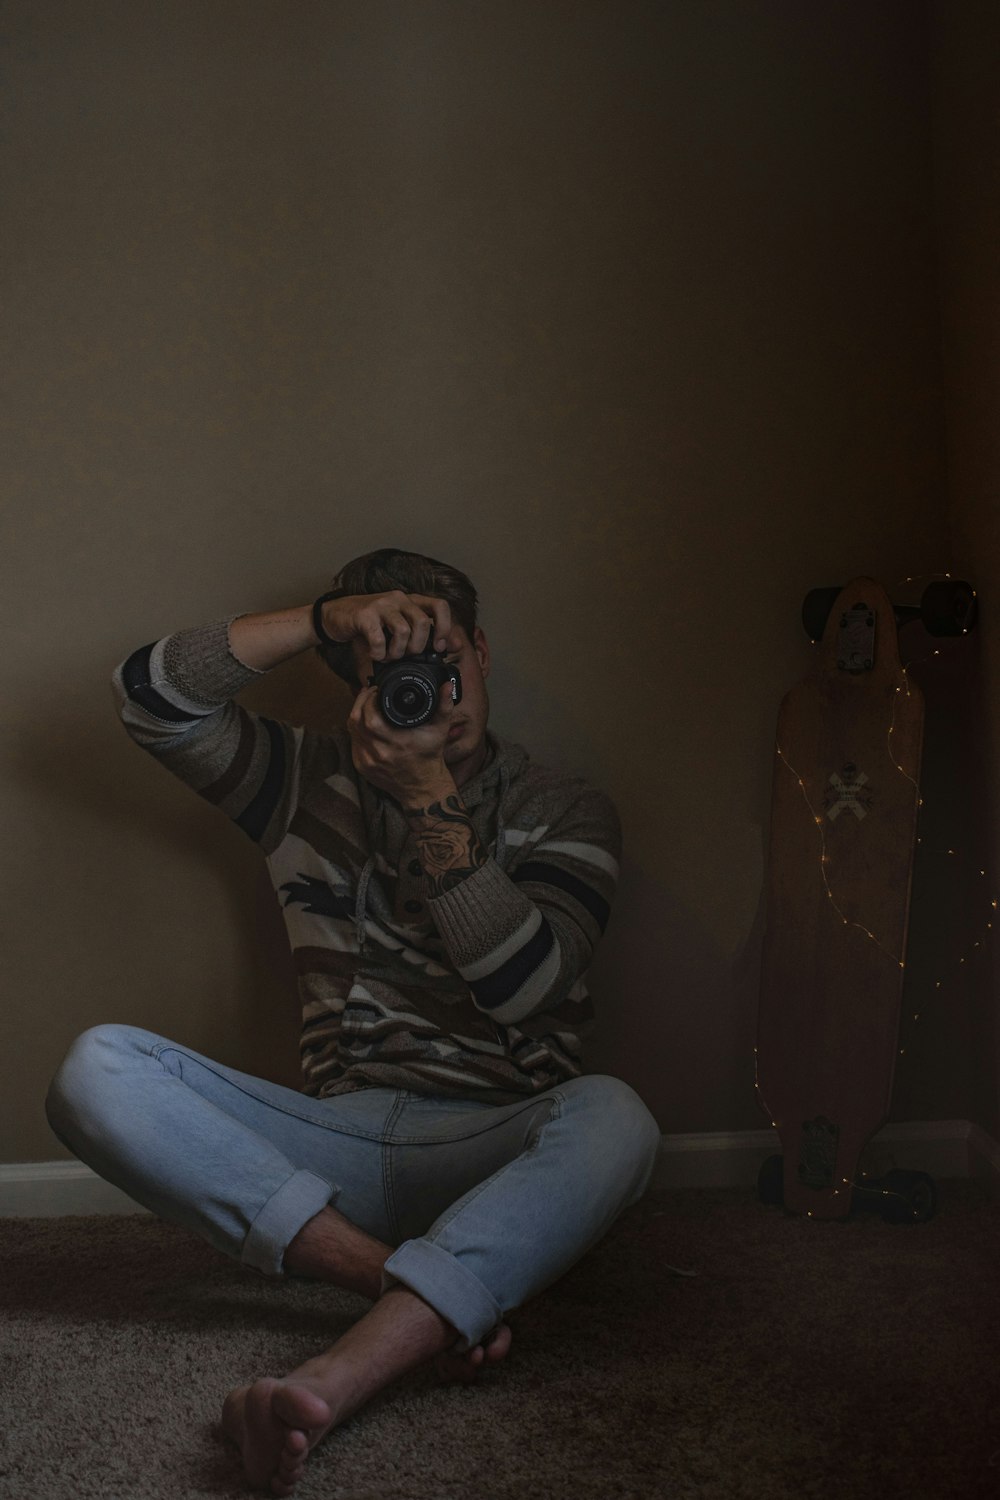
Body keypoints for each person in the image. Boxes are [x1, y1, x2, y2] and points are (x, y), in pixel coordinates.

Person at [46, 547, 661, 1496]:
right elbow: (147, 698)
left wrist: (428, 800)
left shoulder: (562, 806)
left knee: (617, 1116)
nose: (434, 693)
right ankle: (406, 1289)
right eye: (398, 674)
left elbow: (530, 990)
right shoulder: (302, 778)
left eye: (443, 658)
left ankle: (332, 1378)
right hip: (329, 1141)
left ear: (484, 651)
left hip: (495, 1142)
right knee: (96, 1068)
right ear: (360, 687)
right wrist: (330, 618)